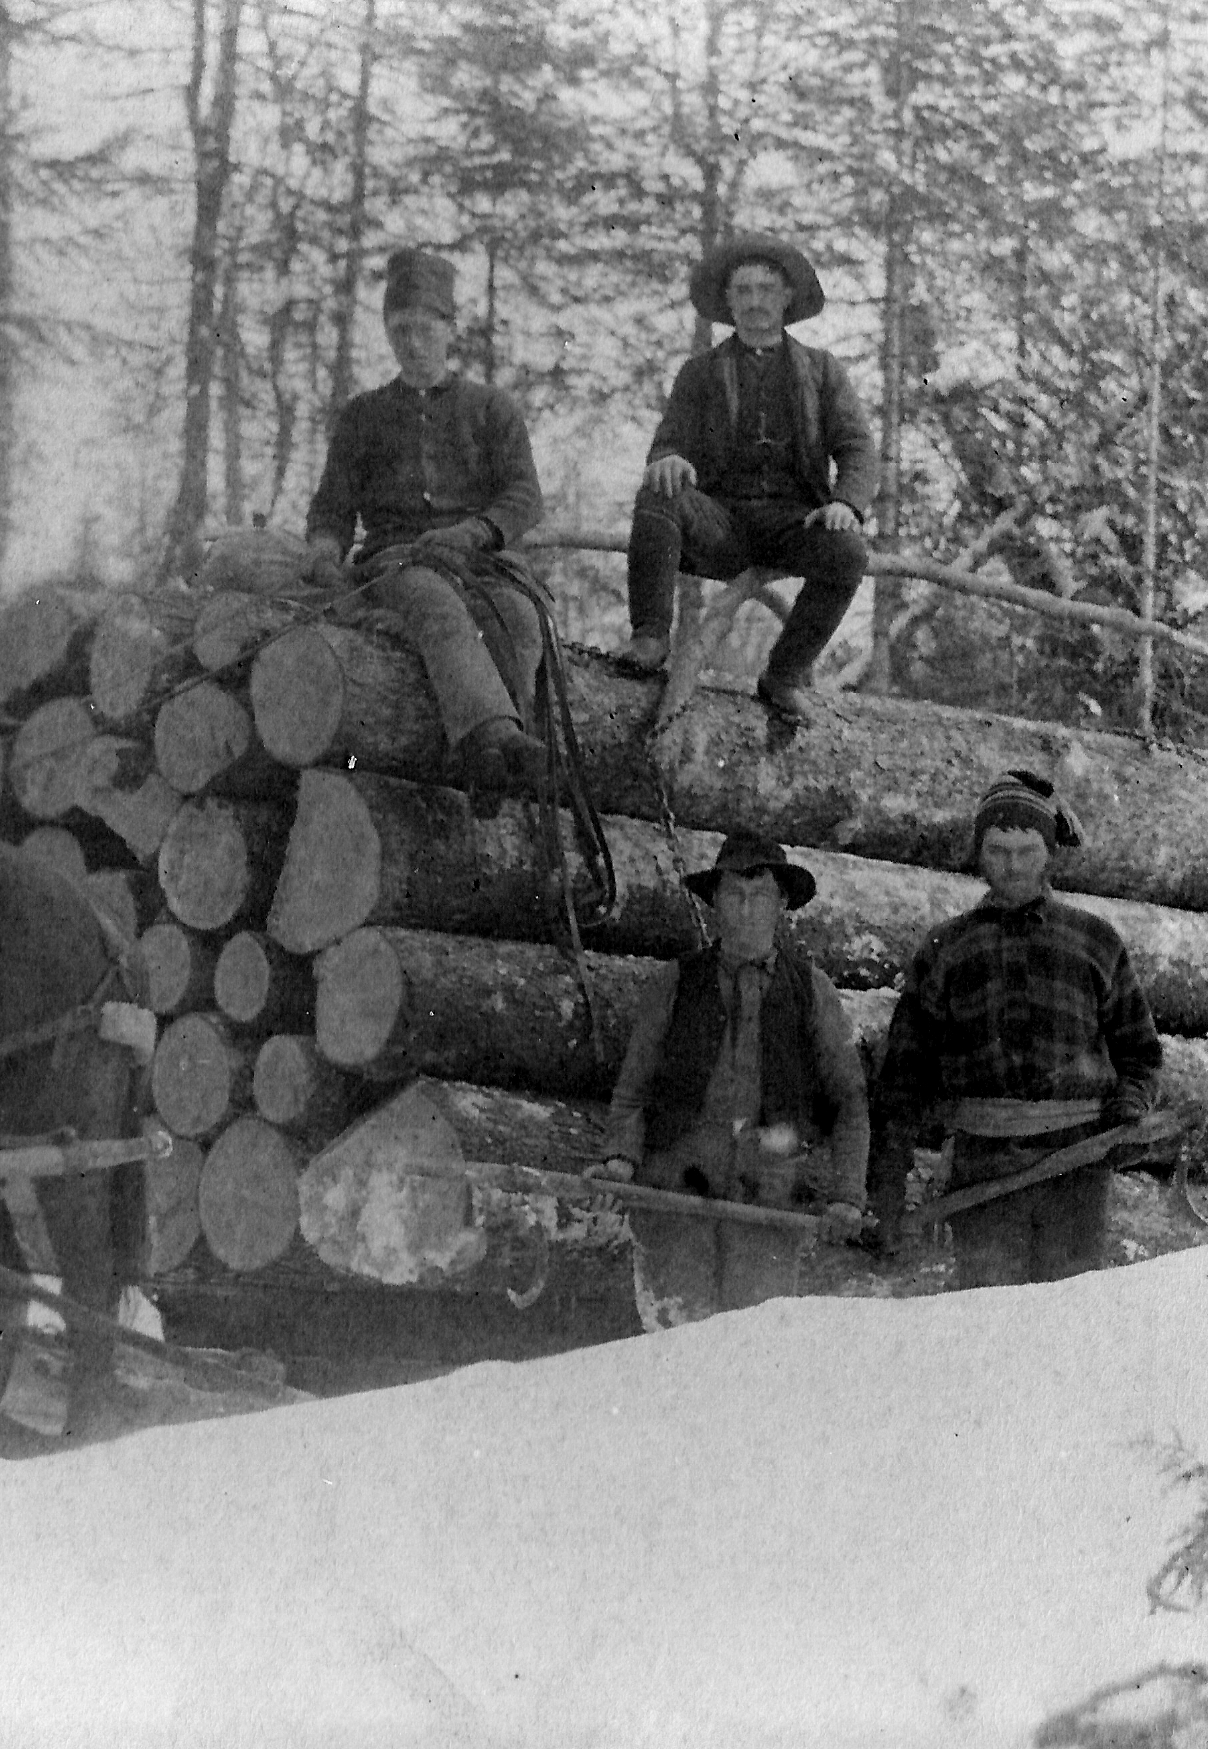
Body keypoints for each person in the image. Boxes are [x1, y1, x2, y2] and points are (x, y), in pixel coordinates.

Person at [868, 771, 1166, 1288]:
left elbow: (1140, 1054)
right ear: (978, 854)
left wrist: (1128, 1110)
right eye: (998, 849)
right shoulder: (946, 949)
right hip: (984, 1167)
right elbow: (902, 1079)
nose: (1012, 865)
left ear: (1048, 854)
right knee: (989, 1321)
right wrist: (889, 1192)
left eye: (1026, 850)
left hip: (1077, 1166)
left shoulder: (1095, 942)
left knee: (1068, 1316)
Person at [303, 245, 554, 796]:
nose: (413, 344)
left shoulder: (491, 409)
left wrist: (473, 533)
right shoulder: (363, 416)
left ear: (450, 330)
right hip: (400, 561)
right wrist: (323, 547)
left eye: (424, 329)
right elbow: (333, 505)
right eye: (400, 331)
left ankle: (490, 768)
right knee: (436, 607)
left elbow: (524, 495)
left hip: (480, 559)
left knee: (518, 616)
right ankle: (496, 741)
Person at [593, 832, 871, 1323]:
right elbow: (634, 1091)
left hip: (766, 1206)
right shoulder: (675, 985)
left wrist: (847, 1195)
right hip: (676, 1199)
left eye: (760, 896)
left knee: (753, 1353)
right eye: (734, 896)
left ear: (782, 903)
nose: (746, 910)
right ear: (715, 903)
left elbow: (848, 1101)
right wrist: (620, 1159)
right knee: (675, 1345)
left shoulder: (812, 992)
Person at [613, 233, 878, 733]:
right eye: (744, 291)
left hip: (795, 525)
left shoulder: (821, 372)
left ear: (786, 299)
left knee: (848, 551)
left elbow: (859, 448)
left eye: (766, 289)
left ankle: (784, 675)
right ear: (729, 303)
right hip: (722, 526)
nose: (755, 301)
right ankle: (649, 638)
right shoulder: (700, 373)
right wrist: (669, 461)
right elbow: (666, 443)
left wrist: (847, 503)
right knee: (657, 491)